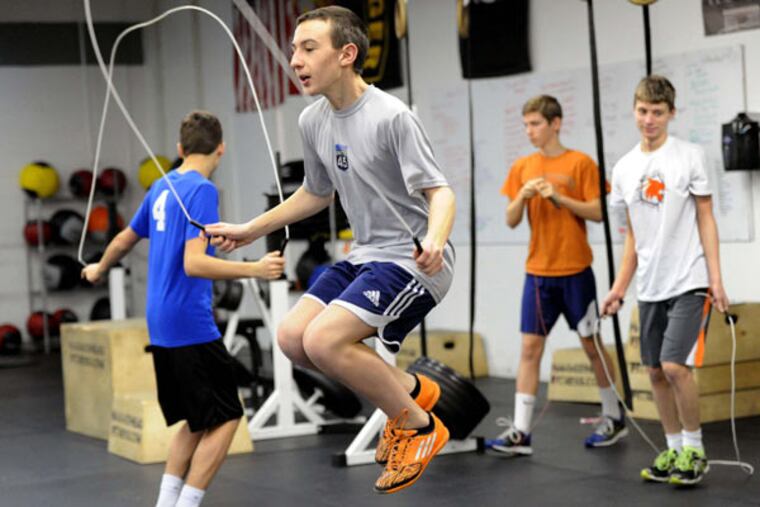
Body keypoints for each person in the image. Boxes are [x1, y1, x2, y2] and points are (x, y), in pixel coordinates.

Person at [206, 6, 456, 495]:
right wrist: (250, 229)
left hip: (413, 262)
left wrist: (435, 240)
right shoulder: (312, 120)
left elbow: (440, 191)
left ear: (346, 54)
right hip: (365, 255)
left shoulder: (392, 116)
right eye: (294, 49)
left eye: (308, 48)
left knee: (325, 341)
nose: (295, 60)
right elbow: (315, 193)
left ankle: (421, 425)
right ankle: (410, 391)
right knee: (294, 338)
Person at [81, 111, 285, 507]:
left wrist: (98, 268)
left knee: (197, 421)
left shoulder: (160, 186)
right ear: (221, 149)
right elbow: (195, 263)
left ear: (180, 149)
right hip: (188, 322)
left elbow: (125, 238)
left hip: (160, 321)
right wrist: (255, 270)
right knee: (226, 416)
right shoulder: (203, 191)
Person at [601, 75, 728, 486]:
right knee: (655, 371)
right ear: (634, 110)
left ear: (671, 113)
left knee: (675, 366)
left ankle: (695, 450)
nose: (649, 120)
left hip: (689, 278)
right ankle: (673, 452)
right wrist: (619, 288)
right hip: (650, 284)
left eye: (657, 112)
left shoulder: (690, 156)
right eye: (643, 111)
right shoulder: (623, 169)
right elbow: (634, 237)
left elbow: (706, 218)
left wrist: (716, 279)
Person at [489, 95, 626, 455]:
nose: (530, 131)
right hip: (538, 274)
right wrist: (521, 195)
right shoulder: (523, 167)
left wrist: (560, 198)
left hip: (576, 271)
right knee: (530, 349)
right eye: (526, 125)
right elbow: (511, 219)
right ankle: (520, 430)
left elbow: (598, 212)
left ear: (555, 123)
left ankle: (613, 416)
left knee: (591, 346)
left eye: (535, 124)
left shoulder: (580, 163)